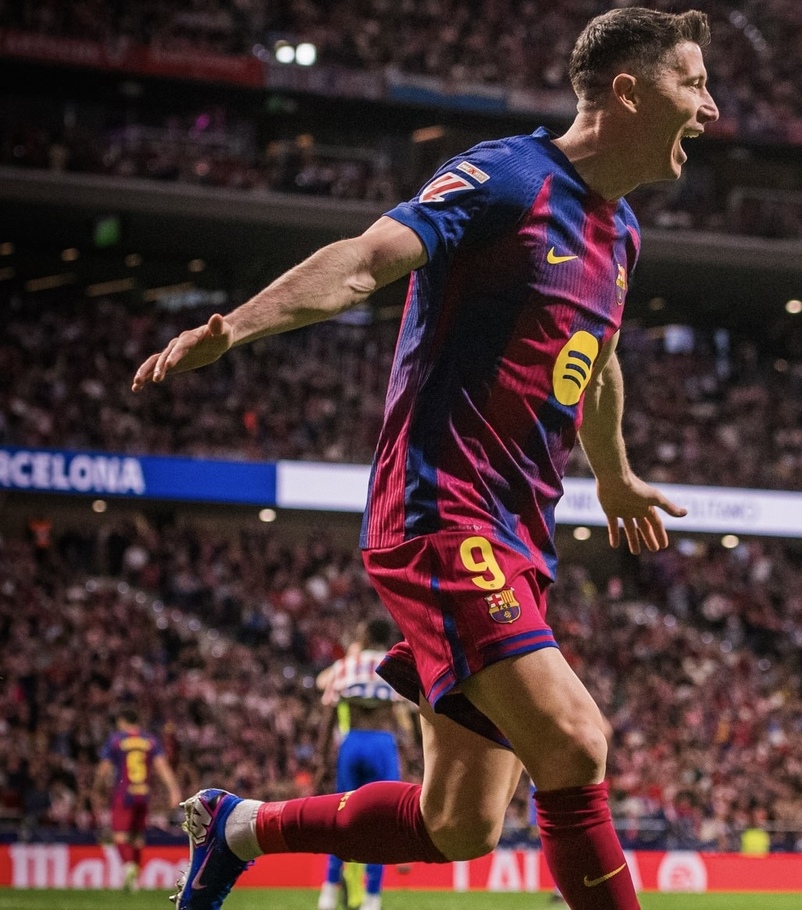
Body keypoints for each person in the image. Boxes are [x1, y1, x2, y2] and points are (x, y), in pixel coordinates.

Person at [131, 8, 716, 910]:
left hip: (520, 539)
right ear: (630, 92)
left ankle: (237, 827)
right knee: (575, 743)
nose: (710, 109)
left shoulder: (623, 233)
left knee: (461, 823)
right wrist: (236, 328)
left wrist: (613, 473)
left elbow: (597, 361)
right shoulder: (509, 177)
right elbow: (367, 260)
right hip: (441, 512)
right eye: (694, 83)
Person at [313, 618, 414, 910]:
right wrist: (411, 755)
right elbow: (406, 715)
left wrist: (321, 762)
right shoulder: (396, 665)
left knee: (341, 817)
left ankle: (328, 892)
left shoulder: (345, 666)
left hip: (353, 743)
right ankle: (372, 898)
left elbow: (329, 715)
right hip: (383, 744)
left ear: (366, 635)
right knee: (381, 823)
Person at [94, 707, 183, 891]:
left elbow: (104, 769)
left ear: (122, 721)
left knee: (120, 835)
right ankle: (134, 880)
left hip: (123, 792)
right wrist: (174, 790)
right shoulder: (150, 740)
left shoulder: (116, 739)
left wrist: (97, 788)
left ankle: (128, 868)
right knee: (137, 837)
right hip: (143, 793)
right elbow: (162, 766)